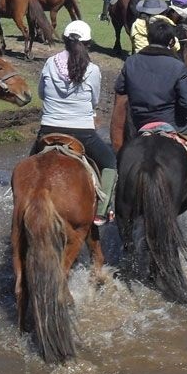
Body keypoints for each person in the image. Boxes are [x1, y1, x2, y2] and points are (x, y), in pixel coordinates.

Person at [114, 18, 187, 204]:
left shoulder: (131, 62)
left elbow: (120, 88)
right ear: (171, 42)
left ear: (149, 39)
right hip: (171, 122)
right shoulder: (177, 66)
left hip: (140, 122)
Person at [34, 19, 118, 225]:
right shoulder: (93, 70)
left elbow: (42, 94)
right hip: (83, 133)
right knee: (111, 163)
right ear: (87, 44)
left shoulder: (50, 63)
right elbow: (94, 101)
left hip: (48, 130)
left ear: (64, 40)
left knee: (26, 168)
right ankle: (101, 211)